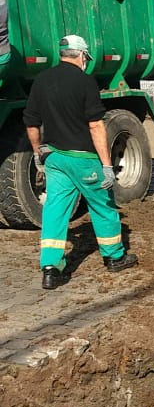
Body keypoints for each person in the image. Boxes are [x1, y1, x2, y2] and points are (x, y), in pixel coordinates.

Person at [22, 33, 138, 290]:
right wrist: (107, 166)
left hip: (55, 158)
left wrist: (38, 152)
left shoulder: (41, 80)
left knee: (55, 211)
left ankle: (51, 269)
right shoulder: (85, 82)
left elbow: (31, 121)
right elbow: (96, 126)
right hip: (83, 160)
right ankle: (115, 257)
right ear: (82, 55)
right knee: (103, 206)